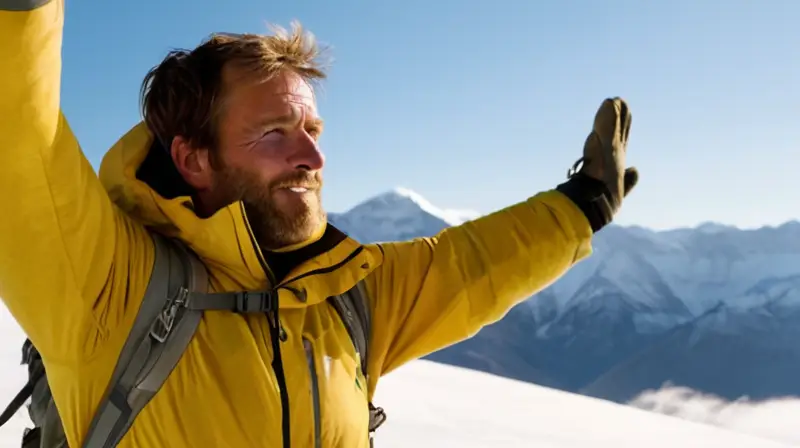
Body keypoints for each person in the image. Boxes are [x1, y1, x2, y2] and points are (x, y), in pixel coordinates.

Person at [0, 1, 638, 447]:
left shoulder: (348, 296)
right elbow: (19, 148)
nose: (313, 157)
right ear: (194, 159)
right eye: (275, 133)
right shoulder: (108, 287)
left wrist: (583, 205)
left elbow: (471, 265)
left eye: (312, 129)